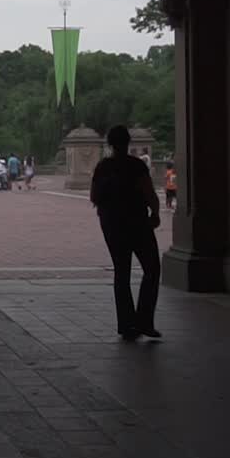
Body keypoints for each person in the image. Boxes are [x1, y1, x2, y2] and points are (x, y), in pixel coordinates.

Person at [90, 125, 162, 341]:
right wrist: (155, 213)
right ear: (128, 142)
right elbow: (149, 192)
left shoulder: (103, 167)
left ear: (110, 144)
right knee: (152, 269)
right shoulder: (136, 166)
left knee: (122, 272)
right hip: (137, 223)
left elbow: (94, 197)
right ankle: (144, 320)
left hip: (112, 224)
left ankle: (126, 324)